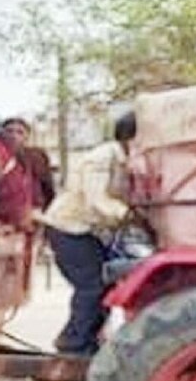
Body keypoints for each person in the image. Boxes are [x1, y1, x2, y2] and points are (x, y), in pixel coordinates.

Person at [41, 112, 135, 355]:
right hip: (68, 227)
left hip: (89, 231)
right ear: (130, 137)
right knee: (91, 285)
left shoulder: (123, 159)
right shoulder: (101, 159)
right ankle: (73, 344)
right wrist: (129, 216)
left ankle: (86, 340)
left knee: (104, 283)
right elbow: (97, 201)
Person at [3, 117, 56, 208]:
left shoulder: (36, 156)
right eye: (9, 131)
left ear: (26, 137)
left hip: (33, 210)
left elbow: (48, 188)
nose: (14, 136)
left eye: (20, 132)